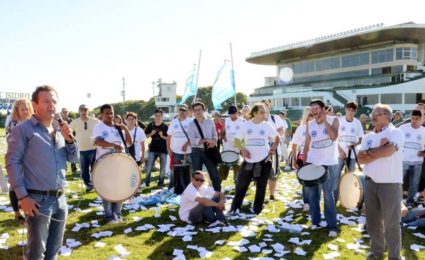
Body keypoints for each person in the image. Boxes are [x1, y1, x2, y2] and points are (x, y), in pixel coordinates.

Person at [6, 85, 79, 259]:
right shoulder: (23, 130)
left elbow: (74, 159)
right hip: (37, 202)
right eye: (46, 101)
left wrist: (70, 140)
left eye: (54, 101)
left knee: (53, 252)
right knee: (37, 253)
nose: (51, 105)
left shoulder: (61, 130)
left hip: (61, 200)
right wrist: (23, 197)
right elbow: (11, 162)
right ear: (34, 104)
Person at [358, 103, 404, 260]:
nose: (374, 115)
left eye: (378, 113)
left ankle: (394, 257)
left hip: (390, 184)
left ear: (388, 117)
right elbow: (360, 158)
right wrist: (378, 149)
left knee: (392, 224)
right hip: (370, 183)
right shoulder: (368, 137)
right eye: (373, 113)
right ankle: (377, 252)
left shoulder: (396, 133)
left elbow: (389, 151)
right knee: (373, 222)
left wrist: (371, 152)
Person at [230, 103, 280, 214]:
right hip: (248, 161)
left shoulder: (267, 125)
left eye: (265, 111)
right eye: (262, 112)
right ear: (255, 113)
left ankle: (257, 208)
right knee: (241, 186)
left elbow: (277, 138)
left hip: (264, 161)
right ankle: (235, 208)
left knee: (261, 186)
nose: (264, 114)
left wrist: (273, 148)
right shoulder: (246, 125)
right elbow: (237, 140)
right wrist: (242, 149)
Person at [303, 99, 339, 237]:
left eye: (316, 108)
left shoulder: (334, 120)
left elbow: (334, 137)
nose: (314, 111)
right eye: (312, 108)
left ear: (323, 109)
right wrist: (304, 164)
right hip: (313, 163)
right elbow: (306, 146)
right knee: (313, 195)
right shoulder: (309, 124)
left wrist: (325, 121)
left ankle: (332, 226)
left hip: (328, 163)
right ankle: (316, 221)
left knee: (328, 196)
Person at [93, 104, 132, 223]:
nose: (110, 115)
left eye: (111, 113)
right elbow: (98, 142)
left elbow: (129, 143)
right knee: (107, 188)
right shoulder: (98, 127)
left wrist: (125, 129)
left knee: (119, 186)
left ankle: (117, 213)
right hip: (105, 163)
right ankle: (109, 214)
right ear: (102, 115)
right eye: (107, 113)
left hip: (119, 162)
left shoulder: (118, 128)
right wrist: (113, 145)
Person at [5, 98, 34, 224]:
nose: (25, 111)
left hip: (31, 158)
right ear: (17, 110)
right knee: (15, 184)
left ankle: (27, 209)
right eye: (22, 109)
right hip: (17, 158)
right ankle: (17, 212)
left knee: (29, 183)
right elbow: (11, 141)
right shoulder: (13, 123)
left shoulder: (32, 122)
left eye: (27, 109)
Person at [187, 102, 221, 192]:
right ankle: (197, 195)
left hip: (209, 151)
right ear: (193, 112)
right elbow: (192, 140)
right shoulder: (191, 124)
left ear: (204, 110)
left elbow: (215, 136)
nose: (198, 112)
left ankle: (218, 195)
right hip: (196, 152)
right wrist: (205, 140)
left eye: (200, 109)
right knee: (197, 176)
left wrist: (213, 142)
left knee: (214, 174)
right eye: (196, 110)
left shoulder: (210, 122)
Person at [335, 101, 364, 201]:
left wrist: (354, 145)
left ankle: (347, 199)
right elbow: (334, 138)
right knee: (336, 177)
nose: (350, 112)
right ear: (345, 109)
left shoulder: (357, 123)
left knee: (349, 177)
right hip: (339, 154)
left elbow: (360, 139)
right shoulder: (339, 120)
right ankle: (335, 198)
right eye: (349, 110)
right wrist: (340, 151)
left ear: (355, 111)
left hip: (352, 155)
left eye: (353, 110)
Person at [69, 104, 100, 192]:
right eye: (81, 110)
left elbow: (101, 130)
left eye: (85, 110)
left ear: (88, 111)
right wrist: (73, 139)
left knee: (95, 169)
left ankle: (97, 185)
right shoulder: (75, 122)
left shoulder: (95, 121)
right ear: (79, 111)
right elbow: (69, 131)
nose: (83, 112)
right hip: (81, 150)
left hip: (93, 149)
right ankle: (89, 186)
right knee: (84, 171)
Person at [398, 109, 425, 207]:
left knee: (414, 184)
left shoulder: (423, 131)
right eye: (412, 118)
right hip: (403, 160)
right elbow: (393, 136)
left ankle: (409, 202)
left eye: (416, 119)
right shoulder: (403, 128)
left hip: (417, 162)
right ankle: (398, 202)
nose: (414, 121)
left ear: (421, 119)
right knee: (398, 182)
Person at [263, 100, 287, 201]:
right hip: (261, 149)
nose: (264, 108)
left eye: (266, 106)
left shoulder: (275, 118)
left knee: (272, 173)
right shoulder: (256, 120)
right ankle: (261, 194)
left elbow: (281, 131)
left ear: (269, 107)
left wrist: (271, 134)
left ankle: (272, 194)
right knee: (261, 173)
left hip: (274, 148)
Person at [167, 104, 193, 191]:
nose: (182, 112)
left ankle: (191, 187)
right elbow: (169, 136)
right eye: (180, 110)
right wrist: (169, 149)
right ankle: (172, 187)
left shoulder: (191, 121)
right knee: (175, 171)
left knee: (190, 171)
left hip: (189, 151)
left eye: (184, 110)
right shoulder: (174, 121)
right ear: (178, 111)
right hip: (176, 151)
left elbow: (194, 136)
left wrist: (186, 144)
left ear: (187, 111)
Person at [291, 107, 313, 211]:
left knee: (315, 181)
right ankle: (307, 202)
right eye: (310, 115)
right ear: (305, 116)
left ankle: (314, 201)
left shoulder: (318, 127)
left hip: (316, 157)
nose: (312, 117)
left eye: (313, 114)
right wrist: (294, 159)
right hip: (302, 157)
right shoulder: (301, 128)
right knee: (306, 181)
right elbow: (294, 145)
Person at [219, 105, 245, 183]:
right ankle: (218, 184)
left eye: (234, 113)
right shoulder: (226, 120)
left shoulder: (242, 121)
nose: (232, 115)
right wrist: (223, 137)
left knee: (238, 166)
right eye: (231, 114)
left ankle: (237, 183)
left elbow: (246, 134)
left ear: (237, 112)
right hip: (227, 147)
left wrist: (241, 145)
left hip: (238, 147)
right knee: (223, 167)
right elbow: (222, 132)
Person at [144, 109, 169, 187]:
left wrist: (162, 136)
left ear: (162, 116)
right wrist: (151, 133)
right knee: (149, 167)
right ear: (154, 116)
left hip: (163, 150)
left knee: (162, 169)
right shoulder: (151, 125)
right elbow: (144, 136)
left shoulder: (165, 126)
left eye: (159, 116)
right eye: (156, 116)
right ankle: (147, 182)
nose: (157, 117)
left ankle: (160, 183)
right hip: (153, 149)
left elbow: (169, 138)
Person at [62, 107, 78, 173]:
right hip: (62, 140)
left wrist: (74, 137)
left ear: (68, 113)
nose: (65, 113)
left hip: (71, 139)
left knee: (73, 153)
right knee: (63, 154)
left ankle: (74, 168)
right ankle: (64, 169)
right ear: (62, 113)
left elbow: (75, 130)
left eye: (66, 112)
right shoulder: (60, 121)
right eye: (64, 112)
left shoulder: (71, 120)